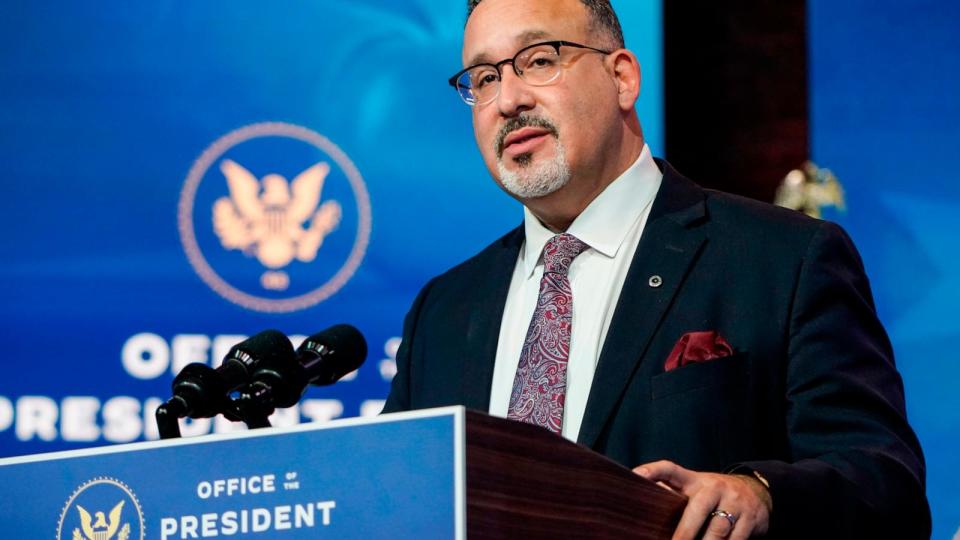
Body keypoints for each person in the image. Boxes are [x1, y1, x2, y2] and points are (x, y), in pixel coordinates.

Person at [382, 0, 930, 537]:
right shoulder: (445, 309)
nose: (508, 99)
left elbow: (886, 485)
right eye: (483, 79)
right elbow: (386, 503)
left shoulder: (783, 258)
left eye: (540, 59)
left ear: (622, 76)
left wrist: (762, 493)